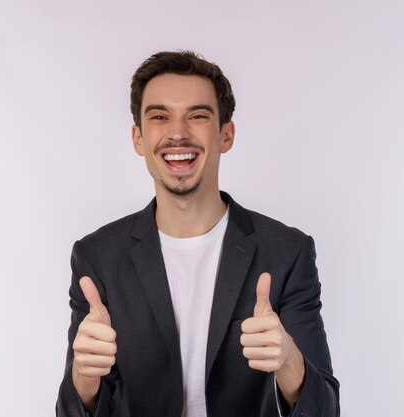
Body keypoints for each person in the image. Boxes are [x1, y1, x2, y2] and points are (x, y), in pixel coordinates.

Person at [56, 51, 339, 417]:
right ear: (138, 138)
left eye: (197, 116)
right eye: (159, 117)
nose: (177, 133)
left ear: (226, 134)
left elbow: (326, 410)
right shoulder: (97, 257)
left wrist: (288, 360)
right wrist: (84, 378)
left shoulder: (287, 252)